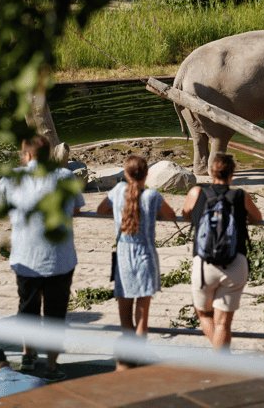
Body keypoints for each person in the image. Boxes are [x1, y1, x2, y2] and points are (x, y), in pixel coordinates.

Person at [0, 135, 85, 383]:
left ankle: (28, 354)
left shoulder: (11, 179)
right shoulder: (65, 177)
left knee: (27, 308)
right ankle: (53, 365)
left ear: (26, 155)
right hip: (60, 258)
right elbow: (77, 207)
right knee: (56, 313)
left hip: (26, 256)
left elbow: (4, 208)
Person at [96, 155, 176, 370]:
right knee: (142, 319)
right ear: (146, 174)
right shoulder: (151, 195)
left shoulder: (117, 192)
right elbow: (171, 214)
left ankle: (128, 359)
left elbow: (100, 210)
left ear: (125, 173)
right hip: (145, 258)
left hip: (122, 259)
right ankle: (138, 358)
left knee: (125, 321)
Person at [182, 153, 262, 350]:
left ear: (210, 172)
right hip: (235, 264)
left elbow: (185, 214)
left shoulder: (196, 192)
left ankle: (223, 362)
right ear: (232, 173)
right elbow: (257, 219)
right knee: (223, 324)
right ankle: (223, 362)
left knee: (203, 314)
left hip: (204, 265)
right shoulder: (240, 196)